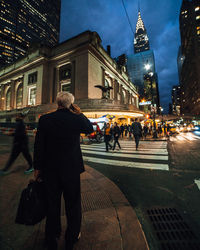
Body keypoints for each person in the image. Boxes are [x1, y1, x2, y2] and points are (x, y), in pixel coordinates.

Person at [33, 92, 93, 250]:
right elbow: (89, 128)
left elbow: (39, 145)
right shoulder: (76, 118)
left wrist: (37, 168)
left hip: (50, 169)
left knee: (52, 204)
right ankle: (71, 237)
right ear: (71, 104)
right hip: (71, 169)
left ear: (57, 103)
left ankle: (52, 235)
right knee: (73, 204)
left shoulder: (45, 119)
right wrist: (77, 111)